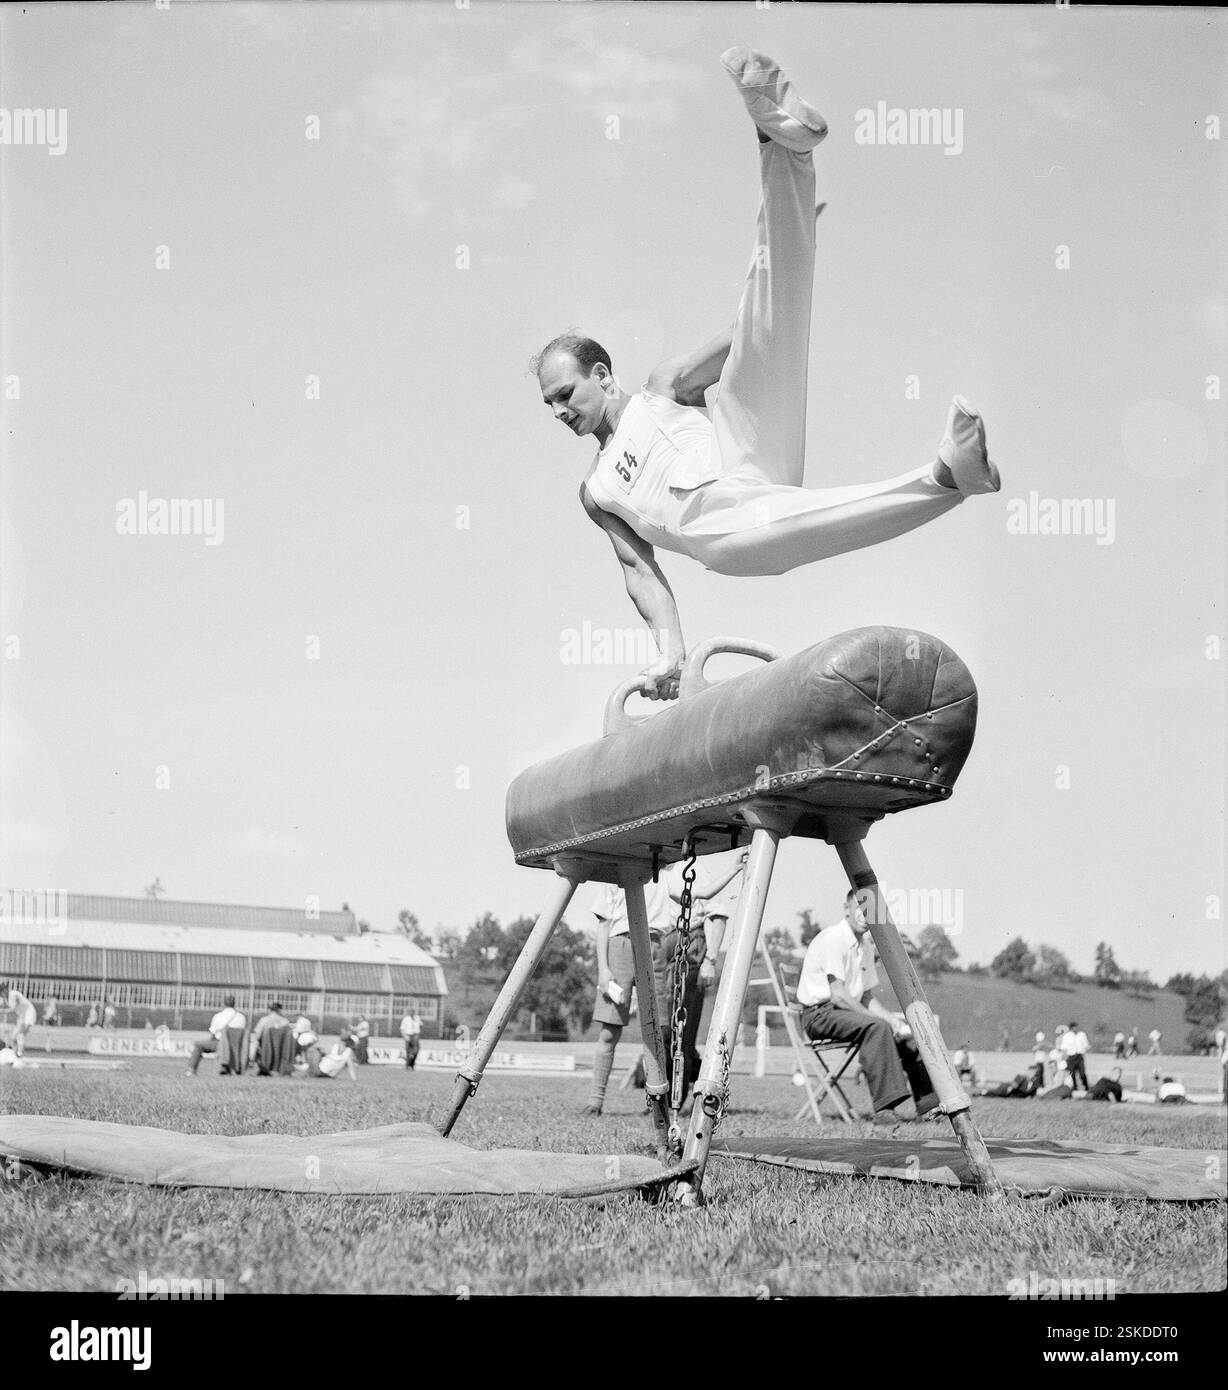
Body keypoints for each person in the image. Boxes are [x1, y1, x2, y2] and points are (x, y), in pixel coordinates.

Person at [532, 48, 1000, 701]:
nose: (559, 412)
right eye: (549, 404)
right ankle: (946, 478)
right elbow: (640, 573)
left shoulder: (663, 388)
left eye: (564, 393)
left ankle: (784, 149)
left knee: (763, 316)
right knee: (753, 515)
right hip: (728, 529)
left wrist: (783, 258)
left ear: (603, 375)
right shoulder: (598, 491)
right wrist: (671, 653)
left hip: (752, 454)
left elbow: (752, 335)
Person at [796, 889, 938, 1124]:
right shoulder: (834, 938)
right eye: (860, 909)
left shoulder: (866, 947)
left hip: (842, 1011)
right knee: (877, 1027)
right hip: (818, 1015)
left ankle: (929, 1107)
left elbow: (866, 997)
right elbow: (839, 995)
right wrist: (882, 1022)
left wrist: (894, 1021)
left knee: (906, 1034)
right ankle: (885, 1109)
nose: (865, 916)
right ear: (847, 910)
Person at [588, 877, 674, 1115]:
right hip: (621, 945)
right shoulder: (615, 873)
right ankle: (595, 1101)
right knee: (609, 1031)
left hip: (654, 945)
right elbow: (603, 924)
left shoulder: (668, 872)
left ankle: (657, 1102)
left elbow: (701, 893)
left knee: (659, 1031)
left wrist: (735, 867)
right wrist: (604, 970)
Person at [185, 995, 246, 1076]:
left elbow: (213, 1034)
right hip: (237, 1046)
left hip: (220, 1044)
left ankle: (191, 1070)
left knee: (198, 1045)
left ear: (224, 1004)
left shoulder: (218, 1016)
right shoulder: (241, 1017)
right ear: (234, 1004)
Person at [250, 1002, 294, 1077]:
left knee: (253, 1043)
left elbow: (257, 1035)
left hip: (266, 1047)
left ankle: (258, 1065)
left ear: (270, 1010)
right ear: (280, 1010)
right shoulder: (285, 1022)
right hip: (281, 1048)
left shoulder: (264, 1020)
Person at [4, 985, 37, 1058]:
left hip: (29, 1013)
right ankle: (15, 1055)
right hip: (22, 1016)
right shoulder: (5, 999)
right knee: (13, 1037)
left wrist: (2, 1011)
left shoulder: (13, 994)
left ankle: (19, 1053)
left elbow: (13, 1008)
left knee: (20, 1035)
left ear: (6, 989)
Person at [1063, 1020, 1090, 1093]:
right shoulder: (1066, 1036)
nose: (1075, 1029)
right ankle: (1074, 1088)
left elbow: (1085, 1044)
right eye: (1073, 1028)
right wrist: (1065, 1059)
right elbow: (1064, 1048)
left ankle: (1086, 1087)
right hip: (1071, 1056)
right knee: (1072, 1073)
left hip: (1079, 1056)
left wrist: (1086, 1048)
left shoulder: (1082, 1034)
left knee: (1082, 1073)